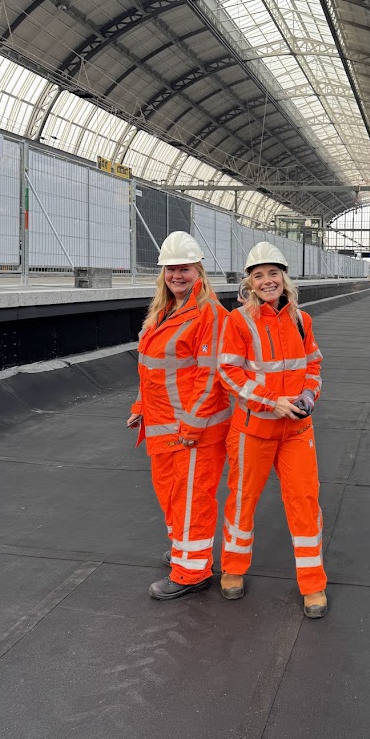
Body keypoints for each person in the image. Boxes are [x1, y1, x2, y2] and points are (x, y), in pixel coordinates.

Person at [218, 242, 328, 618]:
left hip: (296, 431)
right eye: (259, 275)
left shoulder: (301, 320)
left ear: (284, 278)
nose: (267, 281)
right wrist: (271, 401)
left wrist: (309, 394)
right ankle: (233, 569)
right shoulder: (239, 321)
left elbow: (313, 364)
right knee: (242, 501)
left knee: (305, 503)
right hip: (253, 430)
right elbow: (229, 372)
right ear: (249, 282)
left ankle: (313, 584)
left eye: (273, 273)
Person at [126, 231, 232, 600]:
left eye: (184, 268)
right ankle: (186, 553)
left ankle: (192, 572)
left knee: (192, 500)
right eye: (171, 269)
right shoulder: (163, 311)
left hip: (193, 431)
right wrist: (140, 407)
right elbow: (151, 369)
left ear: (198, 270)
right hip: (163, 426)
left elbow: (211, 376)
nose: (177, 276)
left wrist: (192, 424)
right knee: (171, 496)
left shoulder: (210, 314)